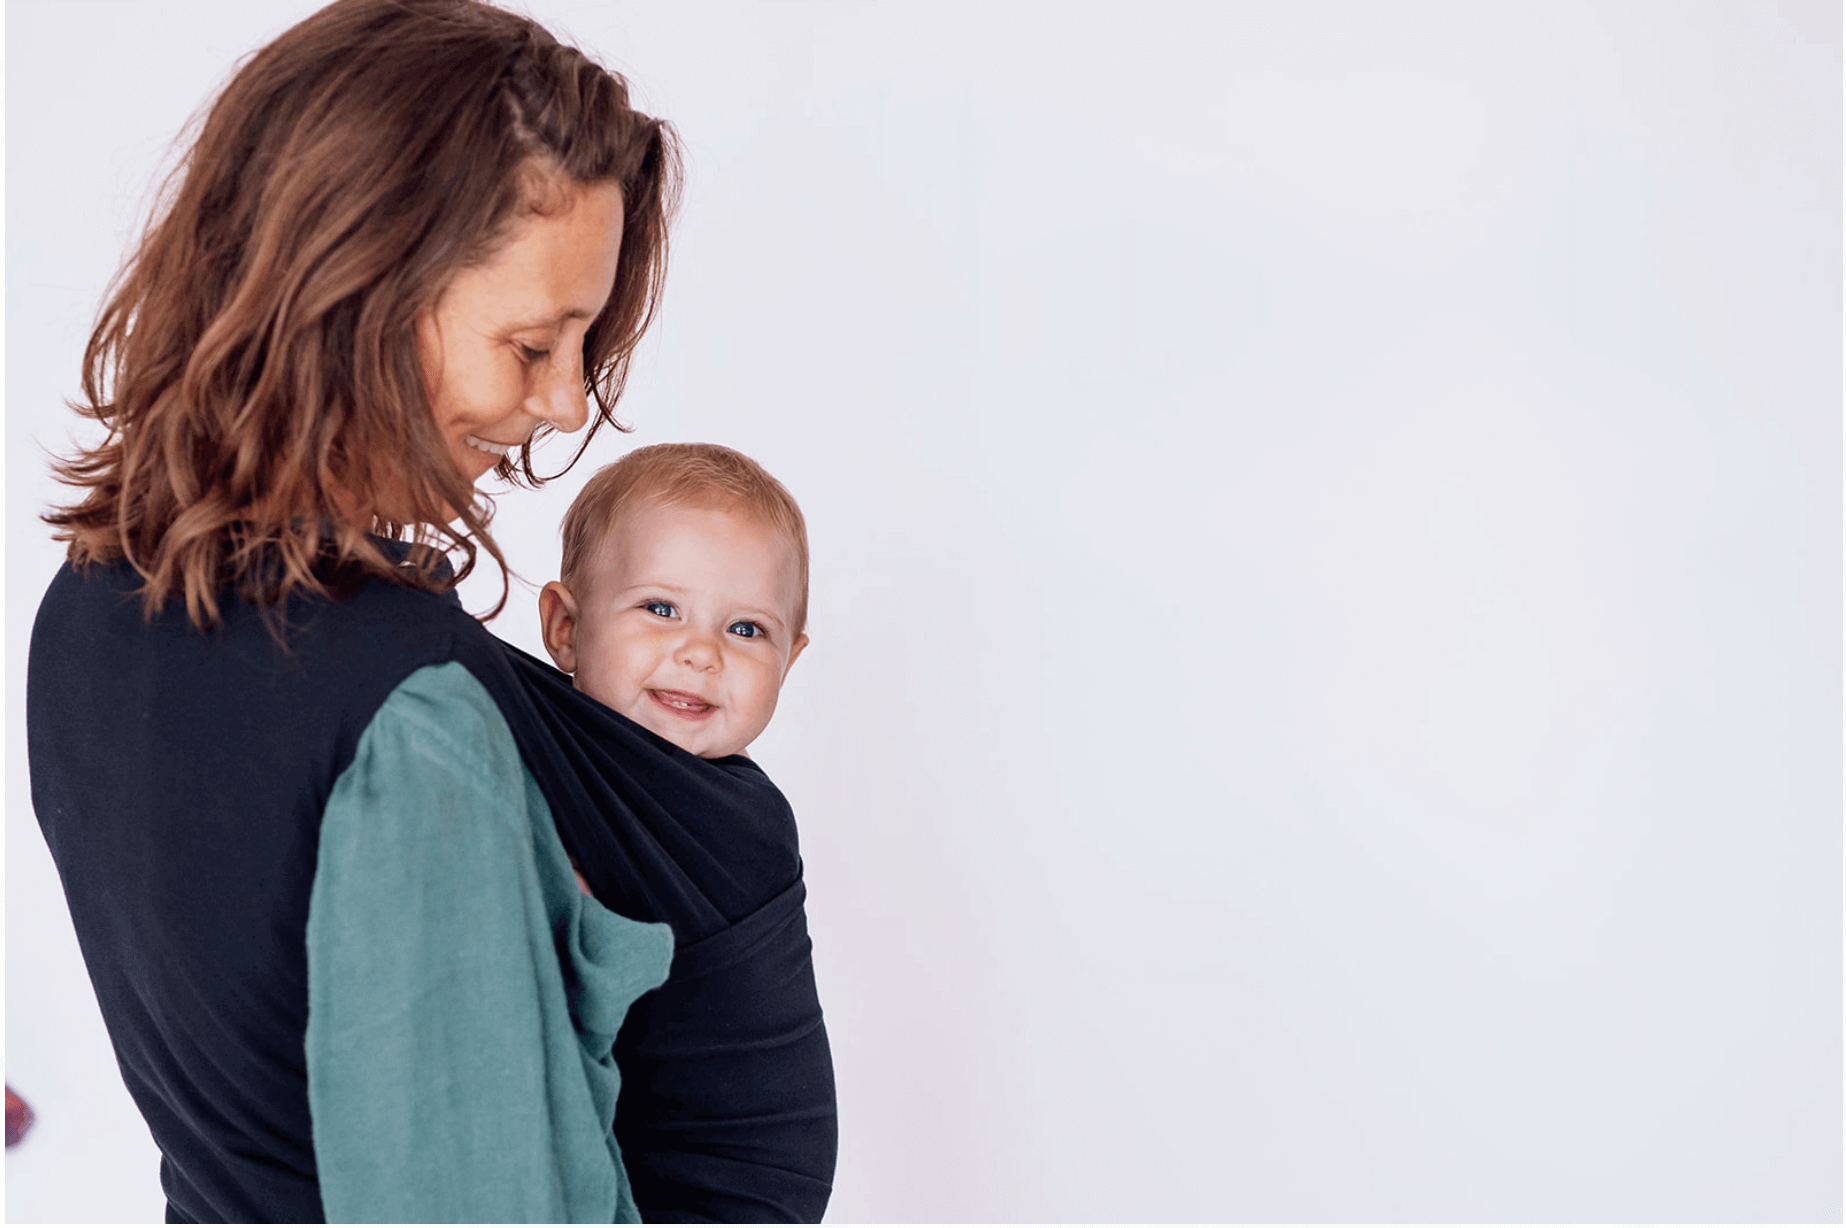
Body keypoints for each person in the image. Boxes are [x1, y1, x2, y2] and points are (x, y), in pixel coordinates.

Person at [22, 0, 720, 1221]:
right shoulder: (409, 716)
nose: (564, 404)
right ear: (359, 288)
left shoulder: (88, 603)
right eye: (533, 342)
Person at [538, 442, 811, 760]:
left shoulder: (747, 807)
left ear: (786, 665)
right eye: (661, 609)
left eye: (746, 629)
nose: (701, 653)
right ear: (566, 629)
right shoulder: (516, 745)